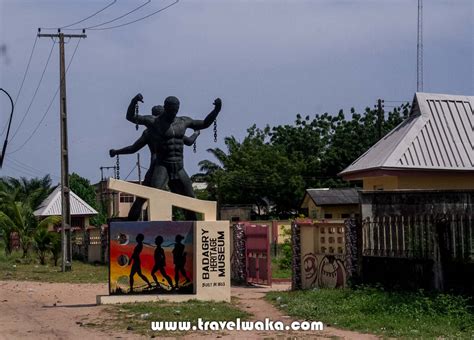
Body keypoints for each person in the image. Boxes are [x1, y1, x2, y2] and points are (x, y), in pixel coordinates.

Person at [109, 103, 200, 220]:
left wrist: (116, 152)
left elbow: (133, 148)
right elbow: (189, 141)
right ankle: (190, 220)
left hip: (158, 165)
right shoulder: (170, 129)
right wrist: (196, 133)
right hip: (161, 166)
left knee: (145, 196)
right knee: (180, 195)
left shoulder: (153, 132)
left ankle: (137, 220)